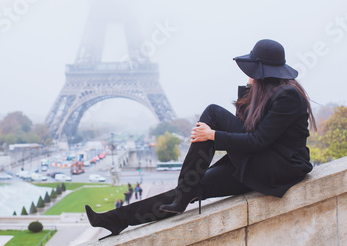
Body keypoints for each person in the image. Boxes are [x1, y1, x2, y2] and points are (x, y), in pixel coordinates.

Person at [85, 39, 316, 240]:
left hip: (279, 168)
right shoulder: (266, 92)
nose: (248, 74)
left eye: (252, 69)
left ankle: (183, 193)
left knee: (213, 113)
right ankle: (118, 219)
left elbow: (257, 140)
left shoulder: (289, 96)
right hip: (260, 163)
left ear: (261, 70)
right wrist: (249, 91)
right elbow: (245, 130)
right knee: (196, 185)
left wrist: (213, 135)